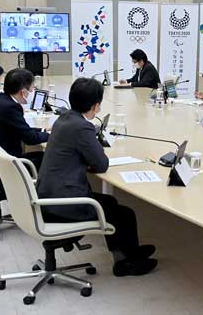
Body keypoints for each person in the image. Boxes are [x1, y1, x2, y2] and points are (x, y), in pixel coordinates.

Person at [36, 77, 158, 277]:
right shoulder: (82, 127)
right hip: (64, 202)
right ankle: (125, 263)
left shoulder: (65, 118)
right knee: (123, 213)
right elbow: (101, 164)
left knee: (110, 202)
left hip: (48, 193)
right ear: (96, 105)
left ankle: (129, 252)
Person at [0, 68, 49, 193]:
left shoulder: (2, 100)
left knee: (43, 155)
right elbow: (30, 138)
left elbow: (21, 129)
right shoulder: (10, 107)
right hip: (1, 169)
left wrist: (43, 130)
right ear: (23, 92)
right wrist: (55, 135)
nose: (33, 91)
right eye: (32, 89)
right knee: (51, 159)